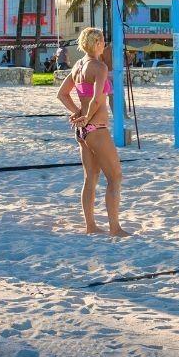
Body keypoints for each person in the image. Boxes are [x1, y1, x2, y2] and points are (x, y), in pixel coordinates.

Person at [56, 27, 127, 237]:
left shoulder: (78, 66)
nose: (105, 44)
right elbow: (96, 100)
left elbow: (62, 94)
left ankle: (91, 226)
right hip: (96, 128)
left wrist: (78, 112)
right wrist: (86, 116)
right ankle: (115, 228)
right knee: (115, 177)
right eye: (103, 40)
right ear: (96, 43)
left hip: (82, 131)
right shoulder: (99, 67)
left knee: (91, 178)